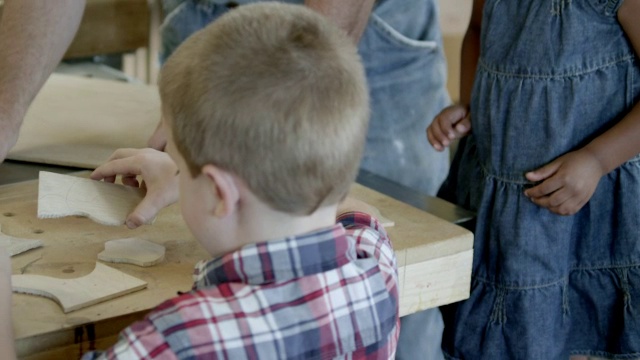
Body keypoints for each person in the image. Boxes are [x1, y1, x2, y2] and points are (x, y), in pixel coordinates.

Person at [1, 4, 400, 358]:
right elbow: (358, 212)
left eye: (174, 160)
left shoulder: (176, 340)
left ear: (219, 193)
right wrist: (200, 178)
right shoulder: (375, 267)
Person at [427, 0, 640, 358]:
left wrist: (597, 159)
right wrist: (472, 104)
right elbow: (479, 31)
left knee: (582, 335)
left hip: (585, 209)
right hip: (500, 208)